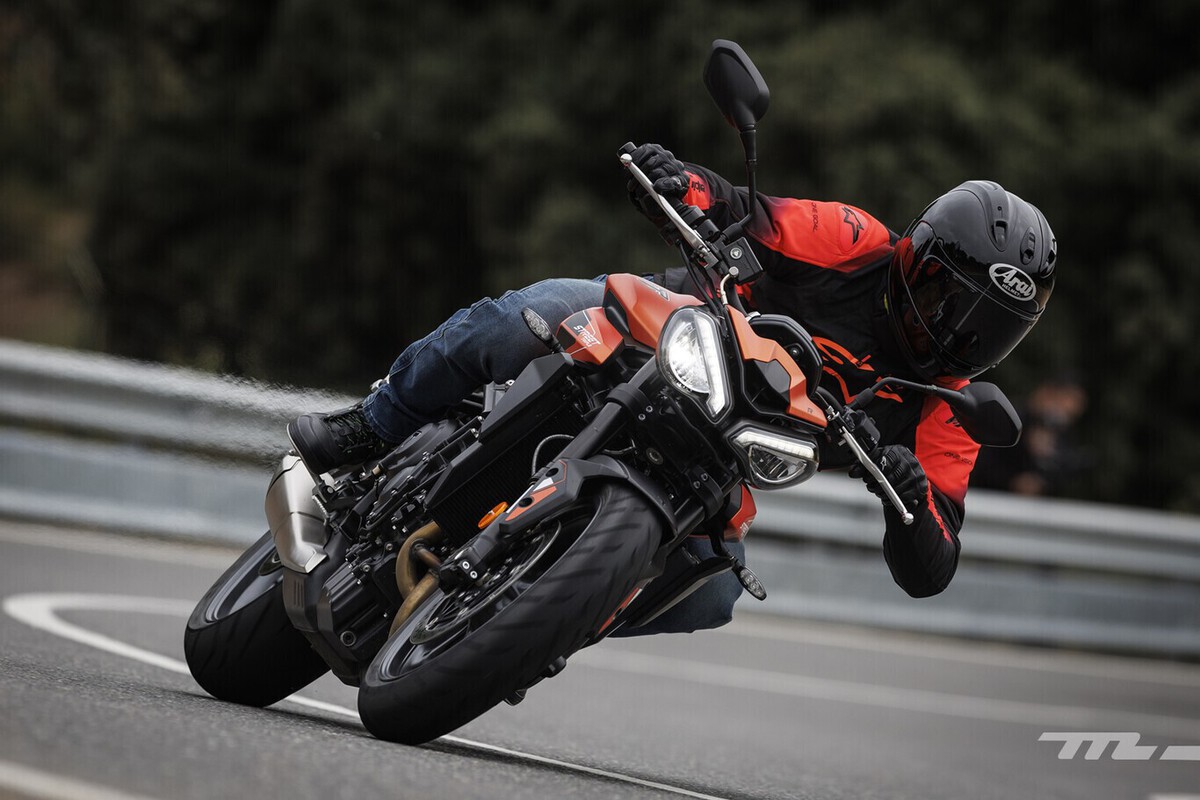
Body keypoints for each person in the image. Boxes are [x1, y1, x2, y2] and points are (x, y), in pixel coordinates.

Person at [287, 143, 1057, 627]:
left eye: (987, 329)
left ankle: (532, 616)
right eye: (948, 298)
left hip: (727, 458)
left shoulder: (949, 404)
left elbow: (934, 563)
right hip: (670, 330)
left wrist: (909, 500)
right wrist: (678, 181)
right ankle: (372, 426)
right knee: (531, 315)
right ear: (917, 256)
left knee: (713, 595)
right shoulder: (853, 242)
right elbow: (740, 208)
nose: (955, 332)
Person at [972, 375, 1088, 497]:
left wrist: (1043, 477)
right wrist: (1012, 480)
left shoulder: (1061, 432)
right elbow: (983, 459)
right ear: (1047, 393)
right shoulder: (1009, 416)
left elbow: (1064, 471)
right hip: (987, 496)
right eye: (1061, 401)